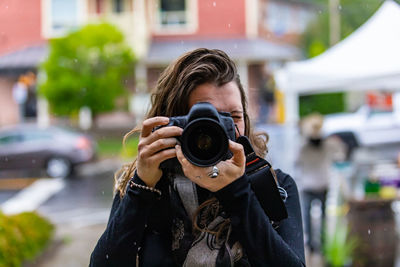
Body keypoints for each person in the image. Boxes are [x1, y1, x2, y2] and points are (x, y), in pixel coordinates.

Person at [90, 48, 305, 266]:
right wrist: (141, 187)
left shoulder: (273, 186)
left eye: (233, 117)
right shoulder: (146, 186)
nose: (221, 128)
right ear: (171, 121)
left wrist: (237, 193)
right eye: (207, 118)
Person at [295, 113, 346, 253]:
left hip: (315, 184)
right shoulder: (308, 146)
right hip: (315, 184)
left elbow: (297, 162)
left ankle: (316, 244)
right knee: (316, 215)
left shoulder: (313, 145)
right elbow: (340, 155)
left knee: (313, 215)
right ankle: (316, 244)